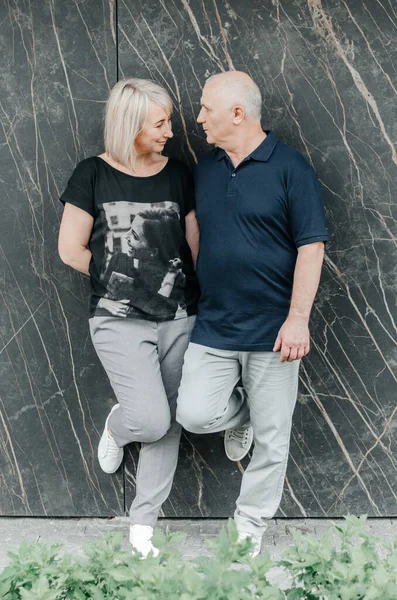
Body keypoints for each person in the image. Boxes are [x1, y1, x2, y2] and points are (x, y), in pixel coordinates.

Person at [176, 71, 328, 557]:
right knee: (195, 414)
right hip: (215, 326)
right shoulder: (206, 169)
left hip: (274, 333)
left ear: (237, 114)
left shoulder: (291, 169)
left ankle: (250, 524)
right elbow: (197, 229)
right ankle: (245, 413)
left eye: (205, 108)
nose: (197, 117)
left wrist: (298, 318)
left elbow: (312, 247)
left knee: (272, 440)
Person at [58, 78, 200, 557]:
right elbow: (69, 249)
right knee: (151, 419)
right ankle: (120, 425)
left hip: (179, 316)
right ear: (131, 125)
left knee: (172, 422)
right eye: (159, 123)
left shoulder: (178, 174)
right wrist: (120, 280)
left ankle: (143, 527)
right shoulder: (92, 175)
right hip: (117, 319)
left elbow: (193, 247)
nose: (169, 131)